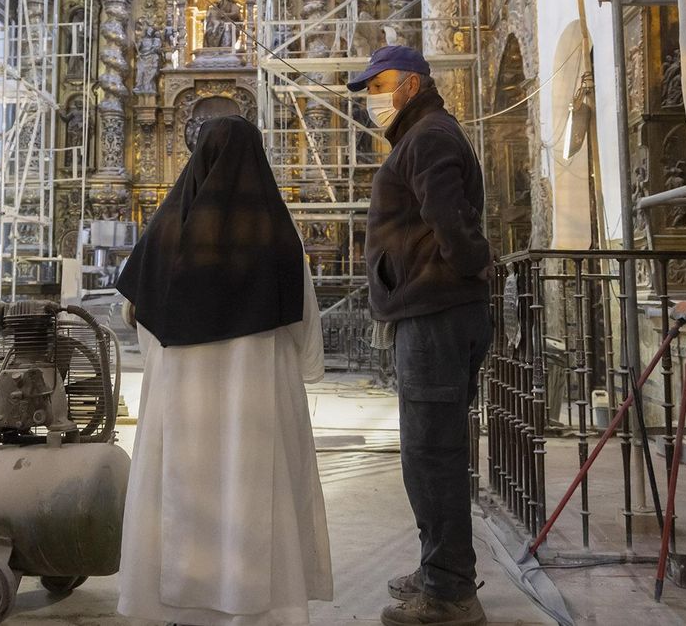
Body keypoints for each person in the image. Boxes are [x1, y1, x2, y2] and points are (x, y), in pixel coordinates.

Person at [115, 115, 333, 626]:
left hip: (182, 399)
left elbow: (138, 320)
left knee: (181, 492)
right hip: (256, 400)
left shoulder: (165, 237)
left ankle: (176, 604)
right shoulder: (279, 241)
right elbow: (305, 333)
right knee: (254, 492)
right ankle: (260, 609)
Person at [347, 46, 492, 626]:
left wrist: (471, 262)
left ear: (410, 84)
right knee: (430, 451)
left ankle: (451, 591)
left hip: (437, 313)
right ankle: (440, 568)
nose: (370, 98)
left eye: (377, 84)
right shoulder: (421, 134)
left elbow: (451, 221)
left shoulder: (429, 136)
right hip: (433, 309)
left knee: (431, 454)